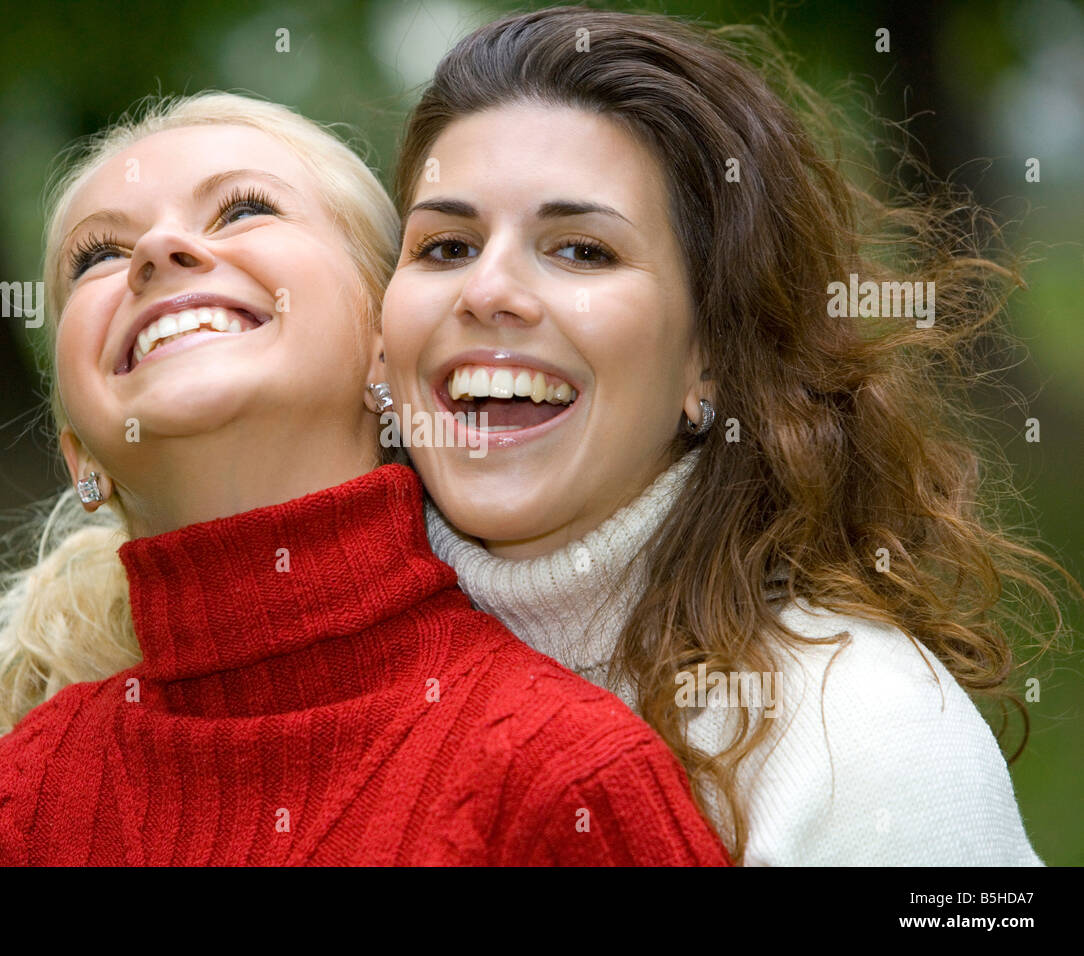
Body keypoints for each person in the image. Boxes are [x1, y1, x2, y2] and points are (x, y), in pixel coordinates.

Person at [0, 90, 732, 866]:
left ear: (384, 346)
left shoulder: (565, 777)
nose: (155, 252)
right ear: (81, 457)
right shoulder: (4, 807)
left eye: (243, 209)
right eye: (98, 256)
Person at [379, 7, 1077, 865]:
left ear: (708, 359)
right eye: (446, 246)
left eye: (583, 251)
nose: (487, 290)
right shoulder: (326, 690)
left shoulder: (869, 733)